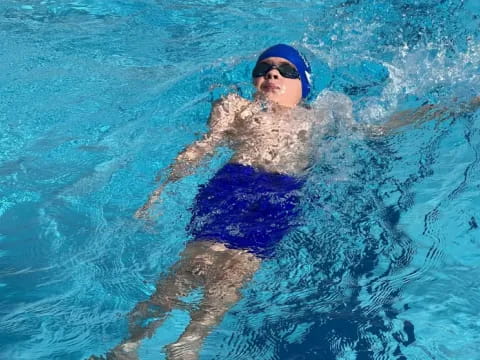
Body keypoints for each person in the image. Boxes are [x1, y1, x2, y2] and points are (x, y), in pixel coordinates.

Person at [90, 44, 479, 360]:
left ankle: (188, 343)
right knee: (197, 263)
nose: (272, 74)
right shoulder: (237, 106)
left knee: (236, 274)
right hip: (235, 183)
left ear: (303, 84)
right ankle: (130, 344)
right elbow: (202, 148)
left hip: (283, 195)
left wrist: (449, 107)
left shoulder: (324, 116)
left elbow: (378, 129)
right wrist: (157, 194)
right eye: (264, 68)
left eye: (286, 70)